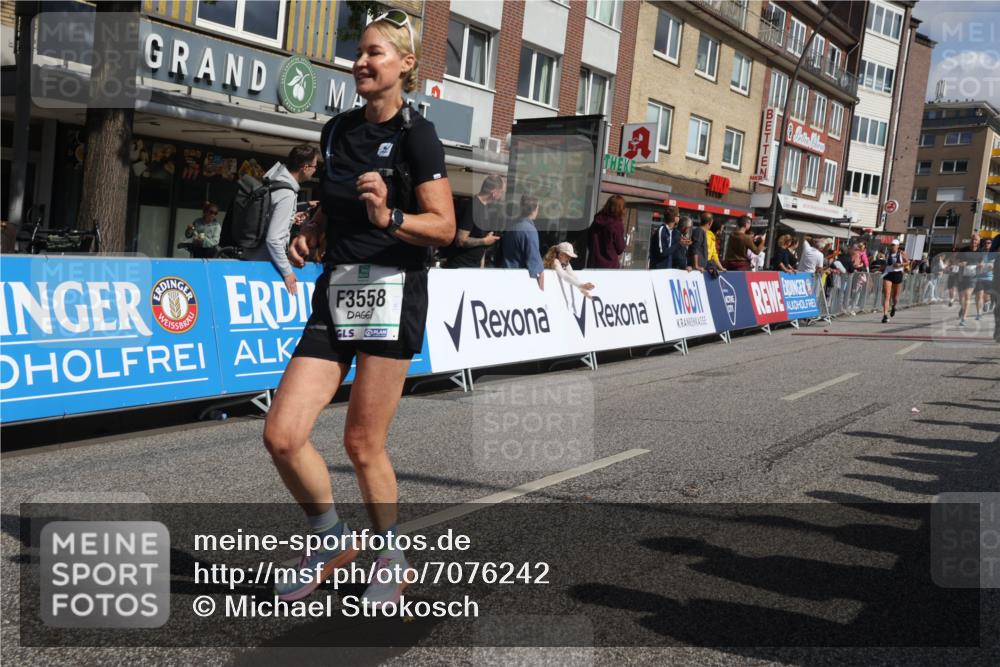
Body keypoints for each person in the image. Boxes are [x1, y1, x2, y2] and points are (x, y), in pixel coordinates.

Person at [264, 10, 455, 606]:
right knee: (283, 434)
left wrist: (389, 217)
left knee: (361, 444)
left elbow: (444, 227)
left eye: (376, 53)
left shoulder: (417, 135)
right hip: (337, 287)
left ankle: (391, 556)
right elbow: (330, 207)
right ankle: (328, 539)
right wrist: (312, 231)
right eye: (360, 52)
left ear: (405, 65)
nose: (363, 62)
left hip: (393, 292)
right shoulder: (337, 130)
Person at [244, 145, 319, 295]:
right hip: (265, 266)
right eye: (315, 166)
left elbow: (266, 219)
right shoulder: (287, 193)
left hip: (251, 258)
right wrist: (287, 272)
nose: (316, 169)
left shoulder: (273, 182)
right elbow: (274, 240)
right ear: (305, 167)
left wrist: (289, 219)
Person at [443, 174, 504, 268]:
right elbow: (460, 240)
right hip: (461, 266)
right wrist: (484, 241)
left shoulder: (487, 209)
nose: (501, 197)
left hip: (474, 266)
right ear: (494, 193)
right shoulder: (472, 207)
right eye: (501, 193)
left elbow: (482, 246)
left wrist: (481, 268)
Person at [501, 195, 545, 290]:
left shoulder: (511, 227)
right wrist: (541, 289)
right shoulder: (530, 230)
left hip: (505, 278)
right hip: (521, 282)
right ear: (535, 209)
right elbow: (534, 263)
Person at [588, 195, 626, 268]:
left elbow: (589, 241)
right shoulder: (617, 224)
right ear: (620, 209)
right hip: (609, 267)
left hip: (593, 263)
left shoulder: (596, 220)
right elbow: (620, 249)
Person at [881, 238, 908, 323]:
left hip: (897, 274)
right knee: (887, 295)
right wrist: (880, 269)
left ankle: (894, 306)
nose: (892, 247)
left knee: (895, 297)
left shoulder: (902, 253)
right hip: (888, 274)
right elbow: (886, 264)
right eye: (891, 245)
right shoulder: (887, 253)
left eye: (893, 245)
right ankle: (885, 315)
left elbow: (908, 262)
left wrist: (900, 265)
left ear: (897, 246)